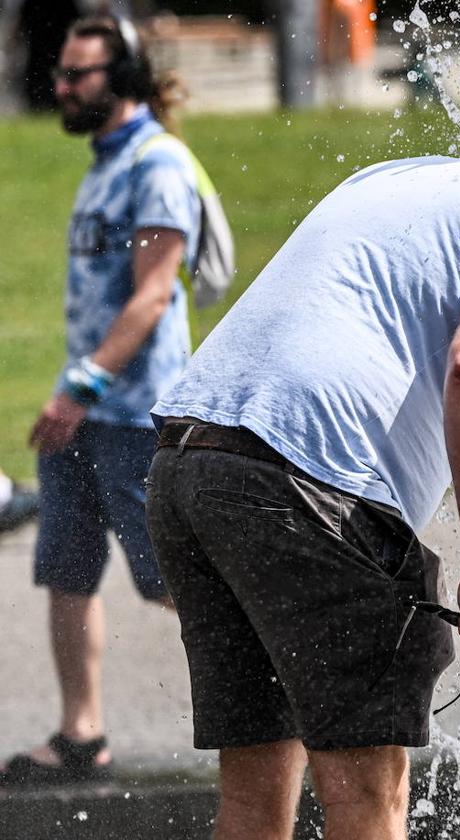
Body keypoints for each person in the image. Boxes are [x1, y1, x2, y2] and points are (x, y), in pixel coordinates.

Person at [144, 154, 460, 840]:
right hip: (308, 485)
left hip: (191, 463)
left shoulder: (404, 179)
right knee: (367, 797)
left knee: (252, 800)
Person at [0, 15, 200, 786]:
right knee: (66, 570)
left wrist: (79, 390)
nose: (60, 87)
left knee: (169, 580)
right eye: (61, 73)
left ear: (120, 82)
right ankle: (81, 735)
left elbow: (152, 298)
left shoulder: (158, 165)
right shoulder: (105, 162)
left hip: (133, 414)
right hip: (81, 409)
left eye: (77, 76)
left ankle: (287, 694)